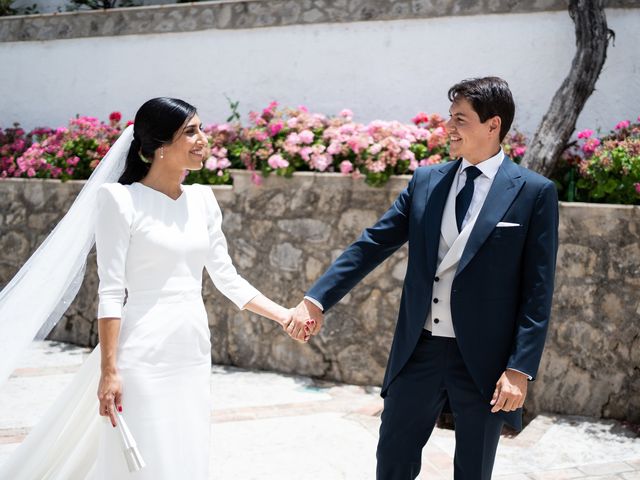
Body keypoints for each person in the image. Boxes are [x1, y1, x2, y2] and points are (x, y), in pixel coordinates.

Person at [0, 97, 304, 479]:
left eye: (201, 129)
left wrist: (284, 315)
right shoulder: (120, 200)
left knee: (185, 445)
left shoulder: (204, 200)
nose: (203, 139)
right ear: (159, 147)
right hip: (140, 349)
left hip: (191, 344)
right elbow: (110, 292)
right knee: (142, 452)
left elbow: (227, 277)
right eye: (190, 132)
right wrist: (109, 371)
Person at [289, 77, 559, 479]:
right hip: (419, 351)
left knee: (473, 470)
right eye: (449, 118)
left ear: (493, 125)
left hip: (484, 362)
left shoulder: (534, 192)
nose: (448, 128)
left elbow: (538, 291)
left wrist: (519, 369)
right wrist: (316, 299)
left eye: (460, 119)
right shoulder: (426, 182)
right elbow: (372, 244)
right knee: (393, 462)